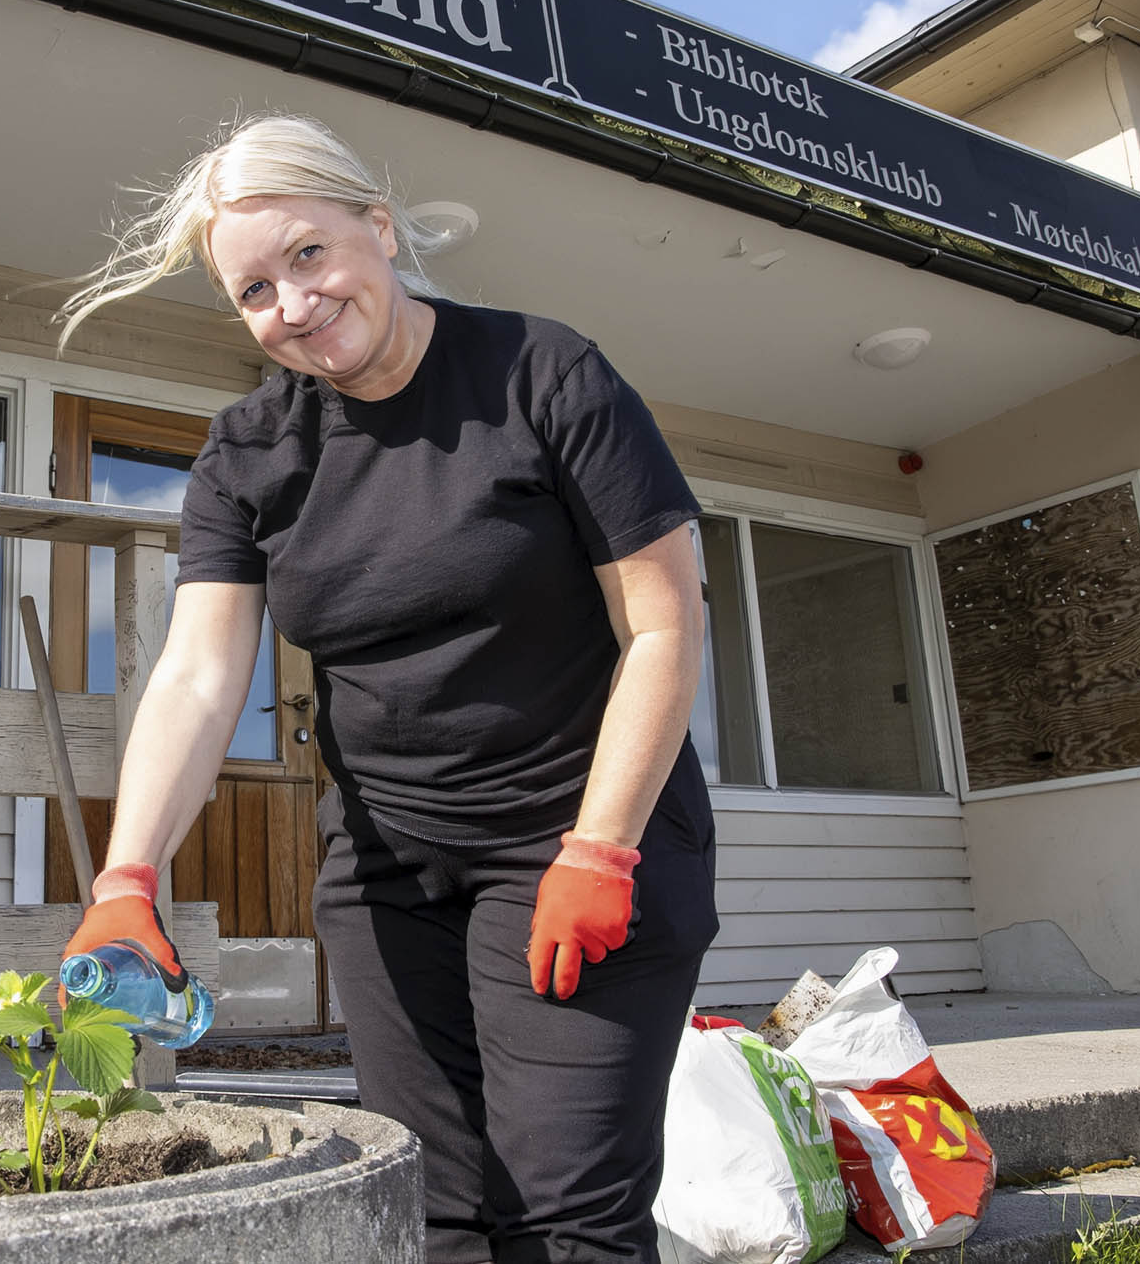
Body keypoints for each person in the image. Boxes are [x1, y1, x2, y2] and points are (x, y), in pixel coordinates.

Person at [57, 112, 718, 1264]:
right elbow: (199, 673)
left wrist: (602, 848)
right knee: (426, 1207)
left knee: (564, 1218)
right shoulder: (248, 452)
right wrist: (127, 875)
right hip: (388, 869)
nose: (293, 305)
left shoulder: (540, 374)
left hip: (575, 836)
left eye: (308, 254)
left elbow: (662, 624)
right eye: (254, 290)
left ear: (378, 226)